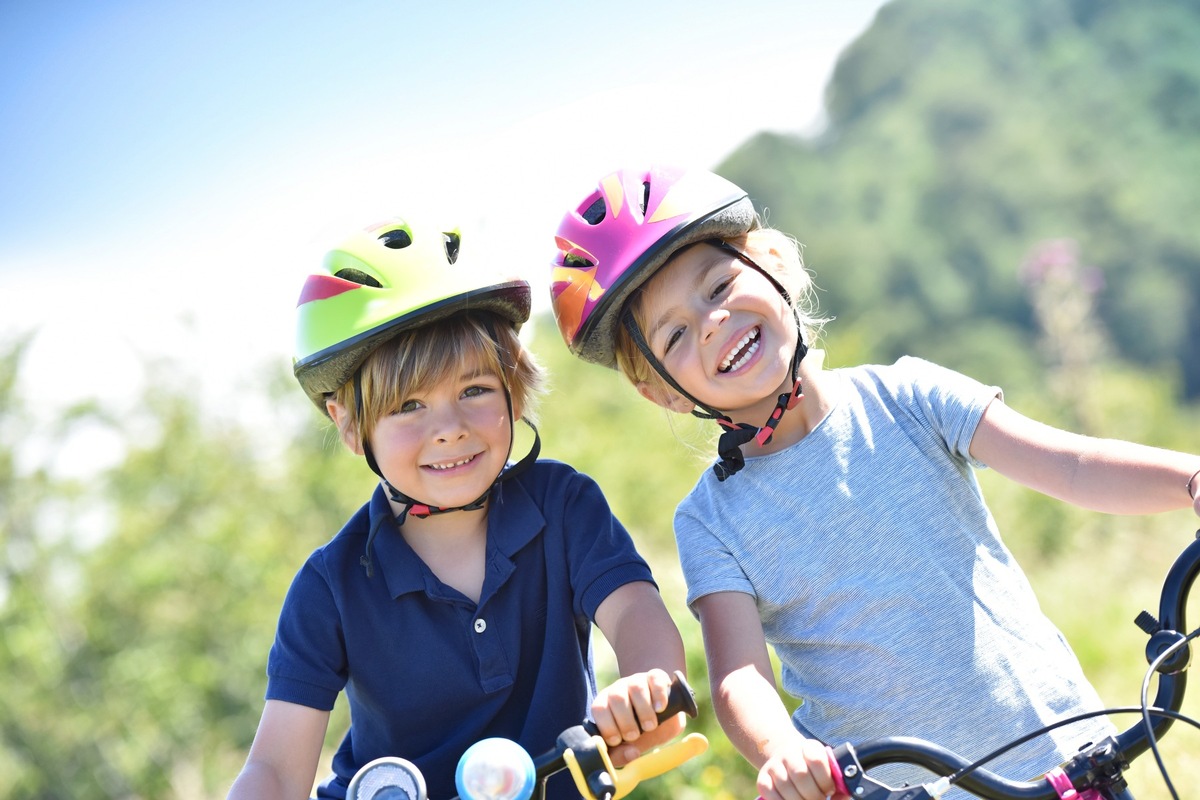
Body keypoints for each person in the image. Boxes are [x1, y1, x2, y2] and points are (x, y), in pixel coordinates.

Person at [547, 165, 1200, 799]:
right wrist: (783, 753)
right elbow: (739, 676)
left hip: (1065, 756)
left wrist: (1190, 479)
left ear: (773, 263)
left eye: (718, 287)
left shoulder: (907, 395)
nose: (712, 321)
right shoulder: (713, 520)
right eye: (677, 334)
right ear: (659, 389)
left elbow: (1072, 465)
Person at [228, 215, 687, 800]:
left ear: (514, 390)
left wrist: (645, 684)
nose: (448, 430)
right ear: (350, 426)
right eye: (409, 405)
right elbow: (274, 769)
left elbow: (635, 615)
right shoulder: (333, 585)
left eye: (474, 391)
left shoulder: (564, 507)